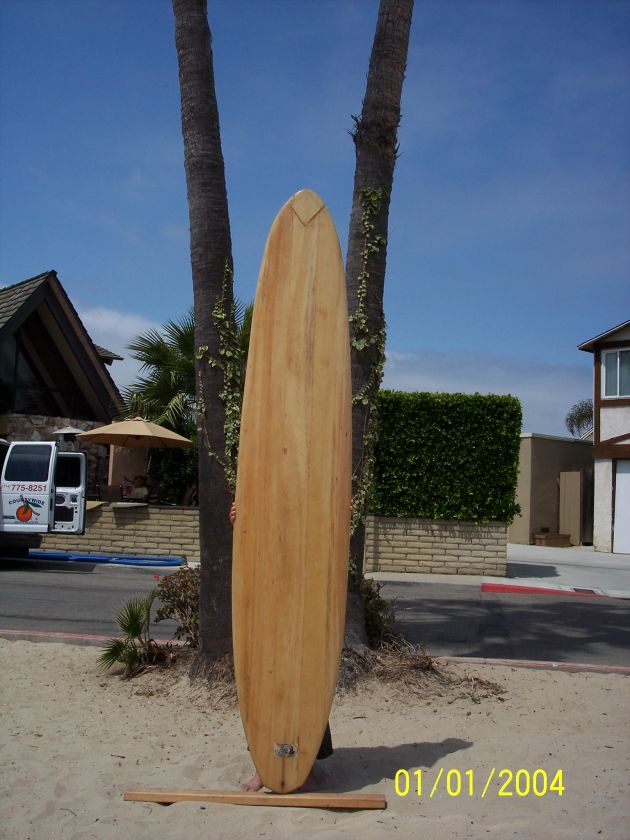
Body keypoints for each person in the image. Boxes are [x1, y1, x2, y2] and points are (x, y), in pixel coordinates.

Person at [229, 500, 333, 792]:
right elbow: (253, 536)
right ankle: (264, 767)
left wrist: (339, 511)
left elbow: (325, 535)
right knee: (263, 682)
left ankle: (304, 764)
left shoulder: (311, 481)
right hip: (267, 588)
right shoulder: (269, 482)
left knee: (308, 681)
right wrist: (240, 521)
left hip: (306, 591)